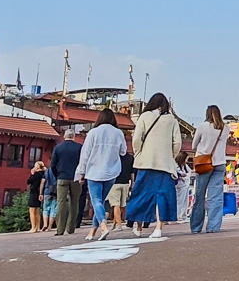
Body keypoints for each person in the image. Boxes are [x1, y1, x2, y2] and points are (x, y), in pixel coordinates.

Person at [124, 93, 182, 239]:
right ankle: (158, 227)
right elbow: (177, 144)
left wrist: (139, 153)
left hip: (146, 162)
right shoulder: (172, 120)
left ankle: (138, 225)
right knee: (162, 195)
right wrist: (170, 157)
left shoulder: (144, 116)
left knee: (142, 194)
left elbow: (136, 139)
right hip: (165, 165)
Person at [76, 109, 127, 242]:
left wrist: (81, 172)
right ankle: (93, 231)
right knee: (100, 201)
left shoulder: (93, 132)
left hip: (94, 171)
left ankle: (103, 226)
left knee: (96, 201)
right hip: (111, 171)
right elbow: (123, 151)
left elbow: (85, 153)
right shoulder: (118, 133)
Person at [189, 105, 231, 234]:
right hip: (220, 163)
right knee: (216, 197)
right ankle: (213, 226)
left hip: (204, 164)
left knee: (200, 195)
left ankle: (196, 227)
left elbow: (193, 145)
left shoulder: (203, 127)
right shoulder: (226, 128)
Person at [49, 126, 84, 236]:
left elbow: (53, 165)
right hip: (75, 178)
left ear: (64, 136)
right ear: (73, 137)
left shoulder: (58, 148)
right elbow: (83, 163)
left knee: (61, 202)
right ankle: (71, 228)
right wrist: (81, 176)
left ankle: (60, 229)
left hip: (62, 177)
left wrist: (57, 175)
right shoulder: (79, 148)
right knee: (74, 203)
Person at [26, 159, 48, 232]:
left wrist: (32, 174)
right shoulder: (44, 173)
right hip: (40, 193)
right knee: (37, 210)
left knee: (32, 210)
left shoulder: (36, 174)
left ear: (37, 167)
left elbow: (29, 181)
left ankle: (33, 227)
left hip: (34, 192)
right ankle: (38, 227)